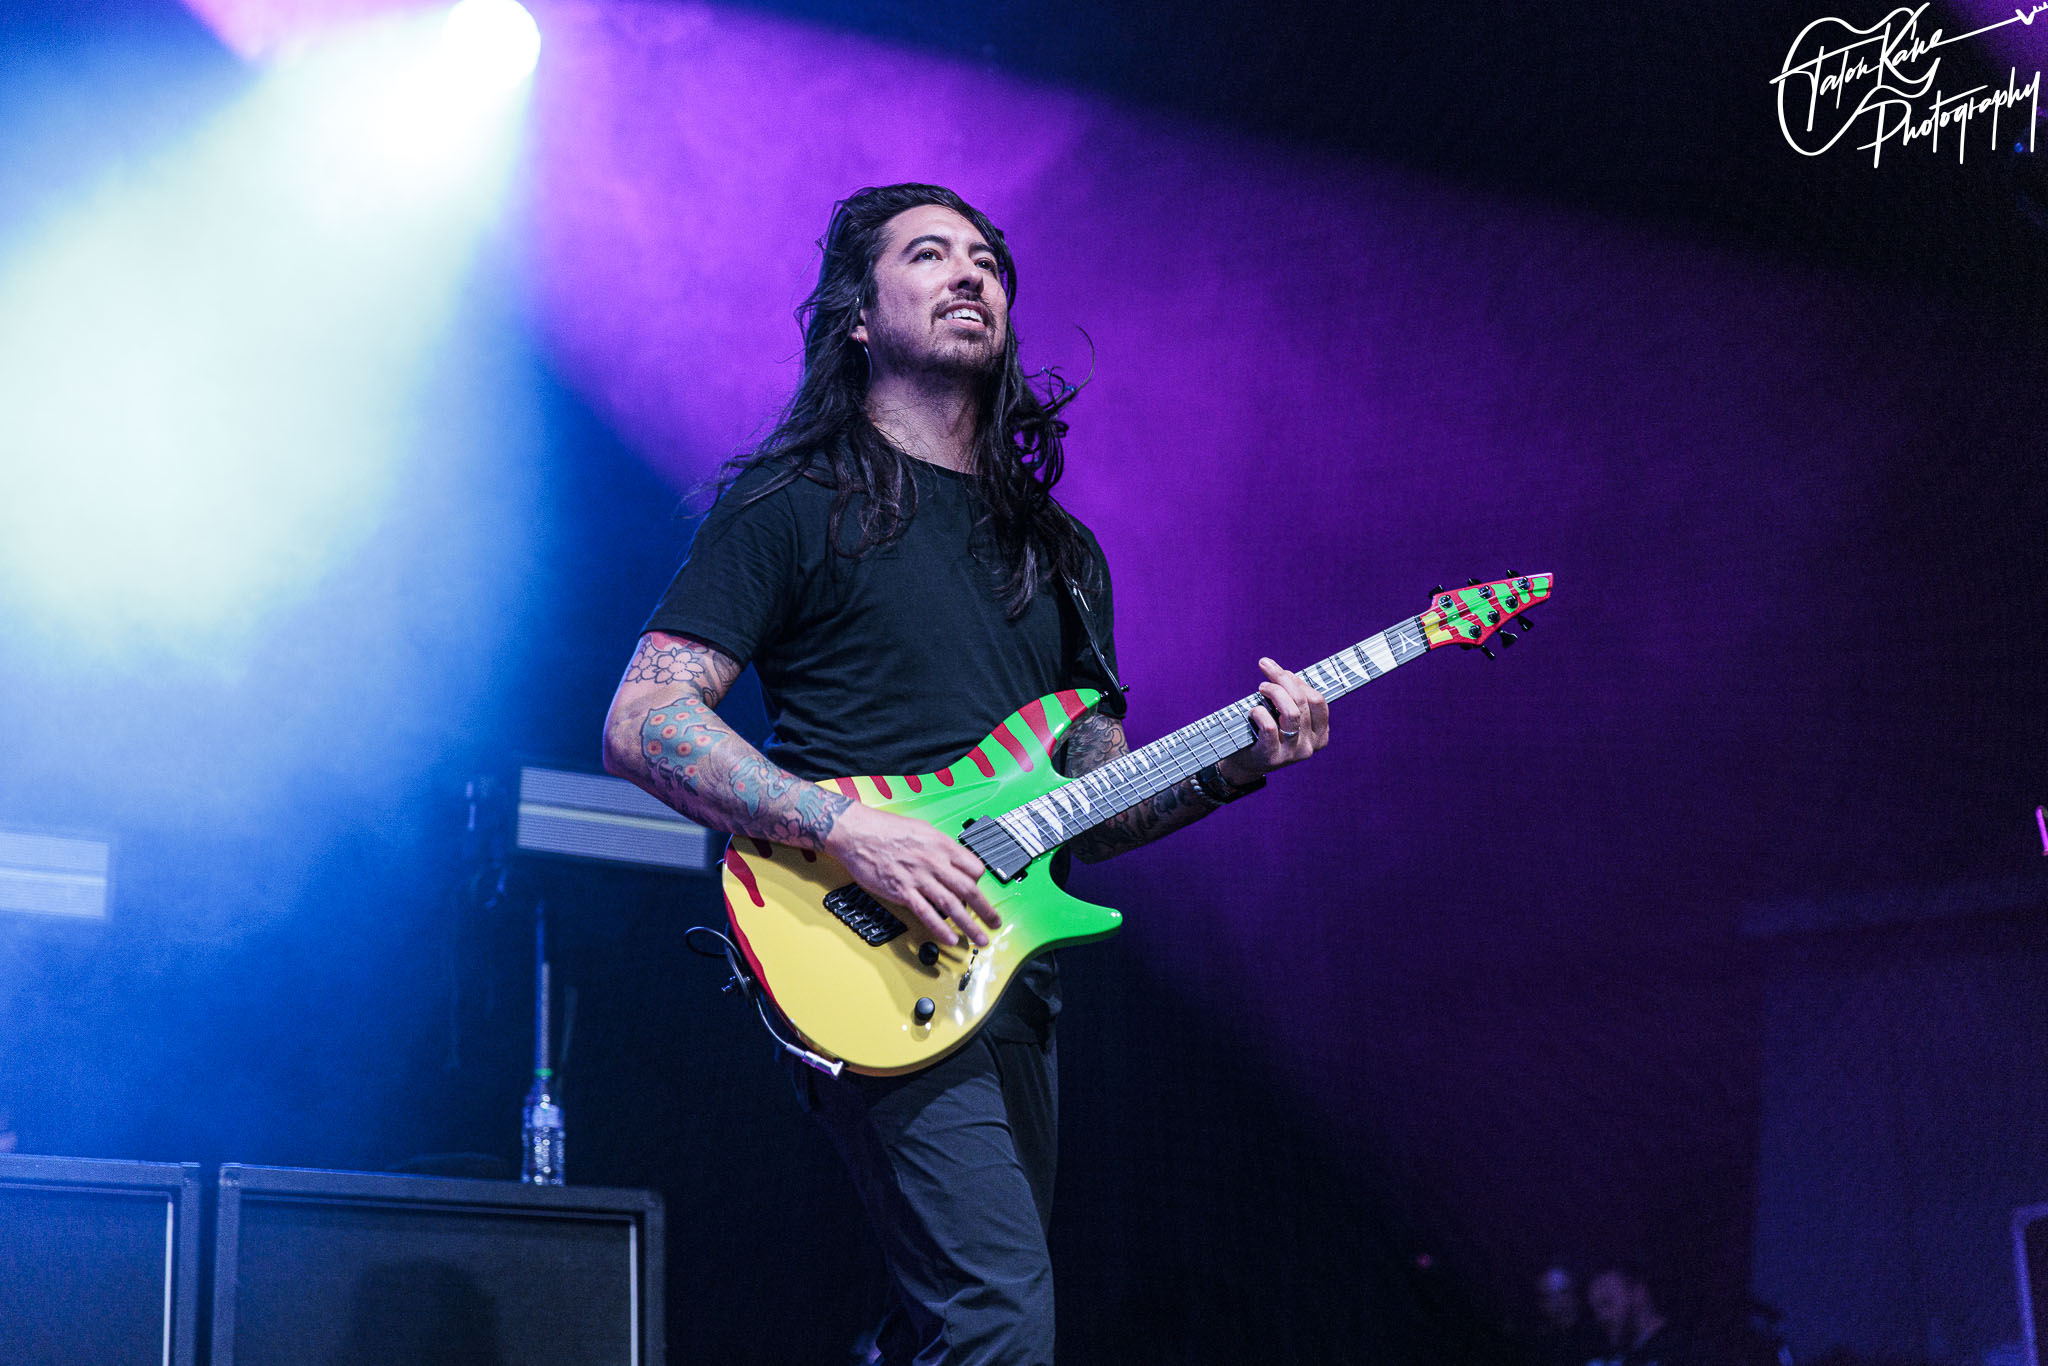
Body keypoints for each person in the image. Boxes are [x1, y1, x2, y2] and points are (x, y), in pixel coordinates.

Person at [602, 182, 1330, 1365]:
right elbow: (645, 720)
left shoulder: (1061, 553)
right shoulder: (792, 503)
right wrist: (847, 829)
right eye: (929, 254)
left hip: (1003, 971)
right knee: (997, 1318)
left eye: (986, 259)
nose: (969, 273)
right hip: (856, 942)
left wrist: (1237, 762)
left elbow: (1095, 800)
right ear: (857, 315)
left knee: (945, 1324)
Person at [1587, 1262, 1692, 1366]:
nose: (1601, 1317)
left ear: (1638, 1293)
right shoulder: (1614, 1360)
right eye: (1596, 1309)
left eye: (1607, 1303)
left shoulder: (1686, 1348)